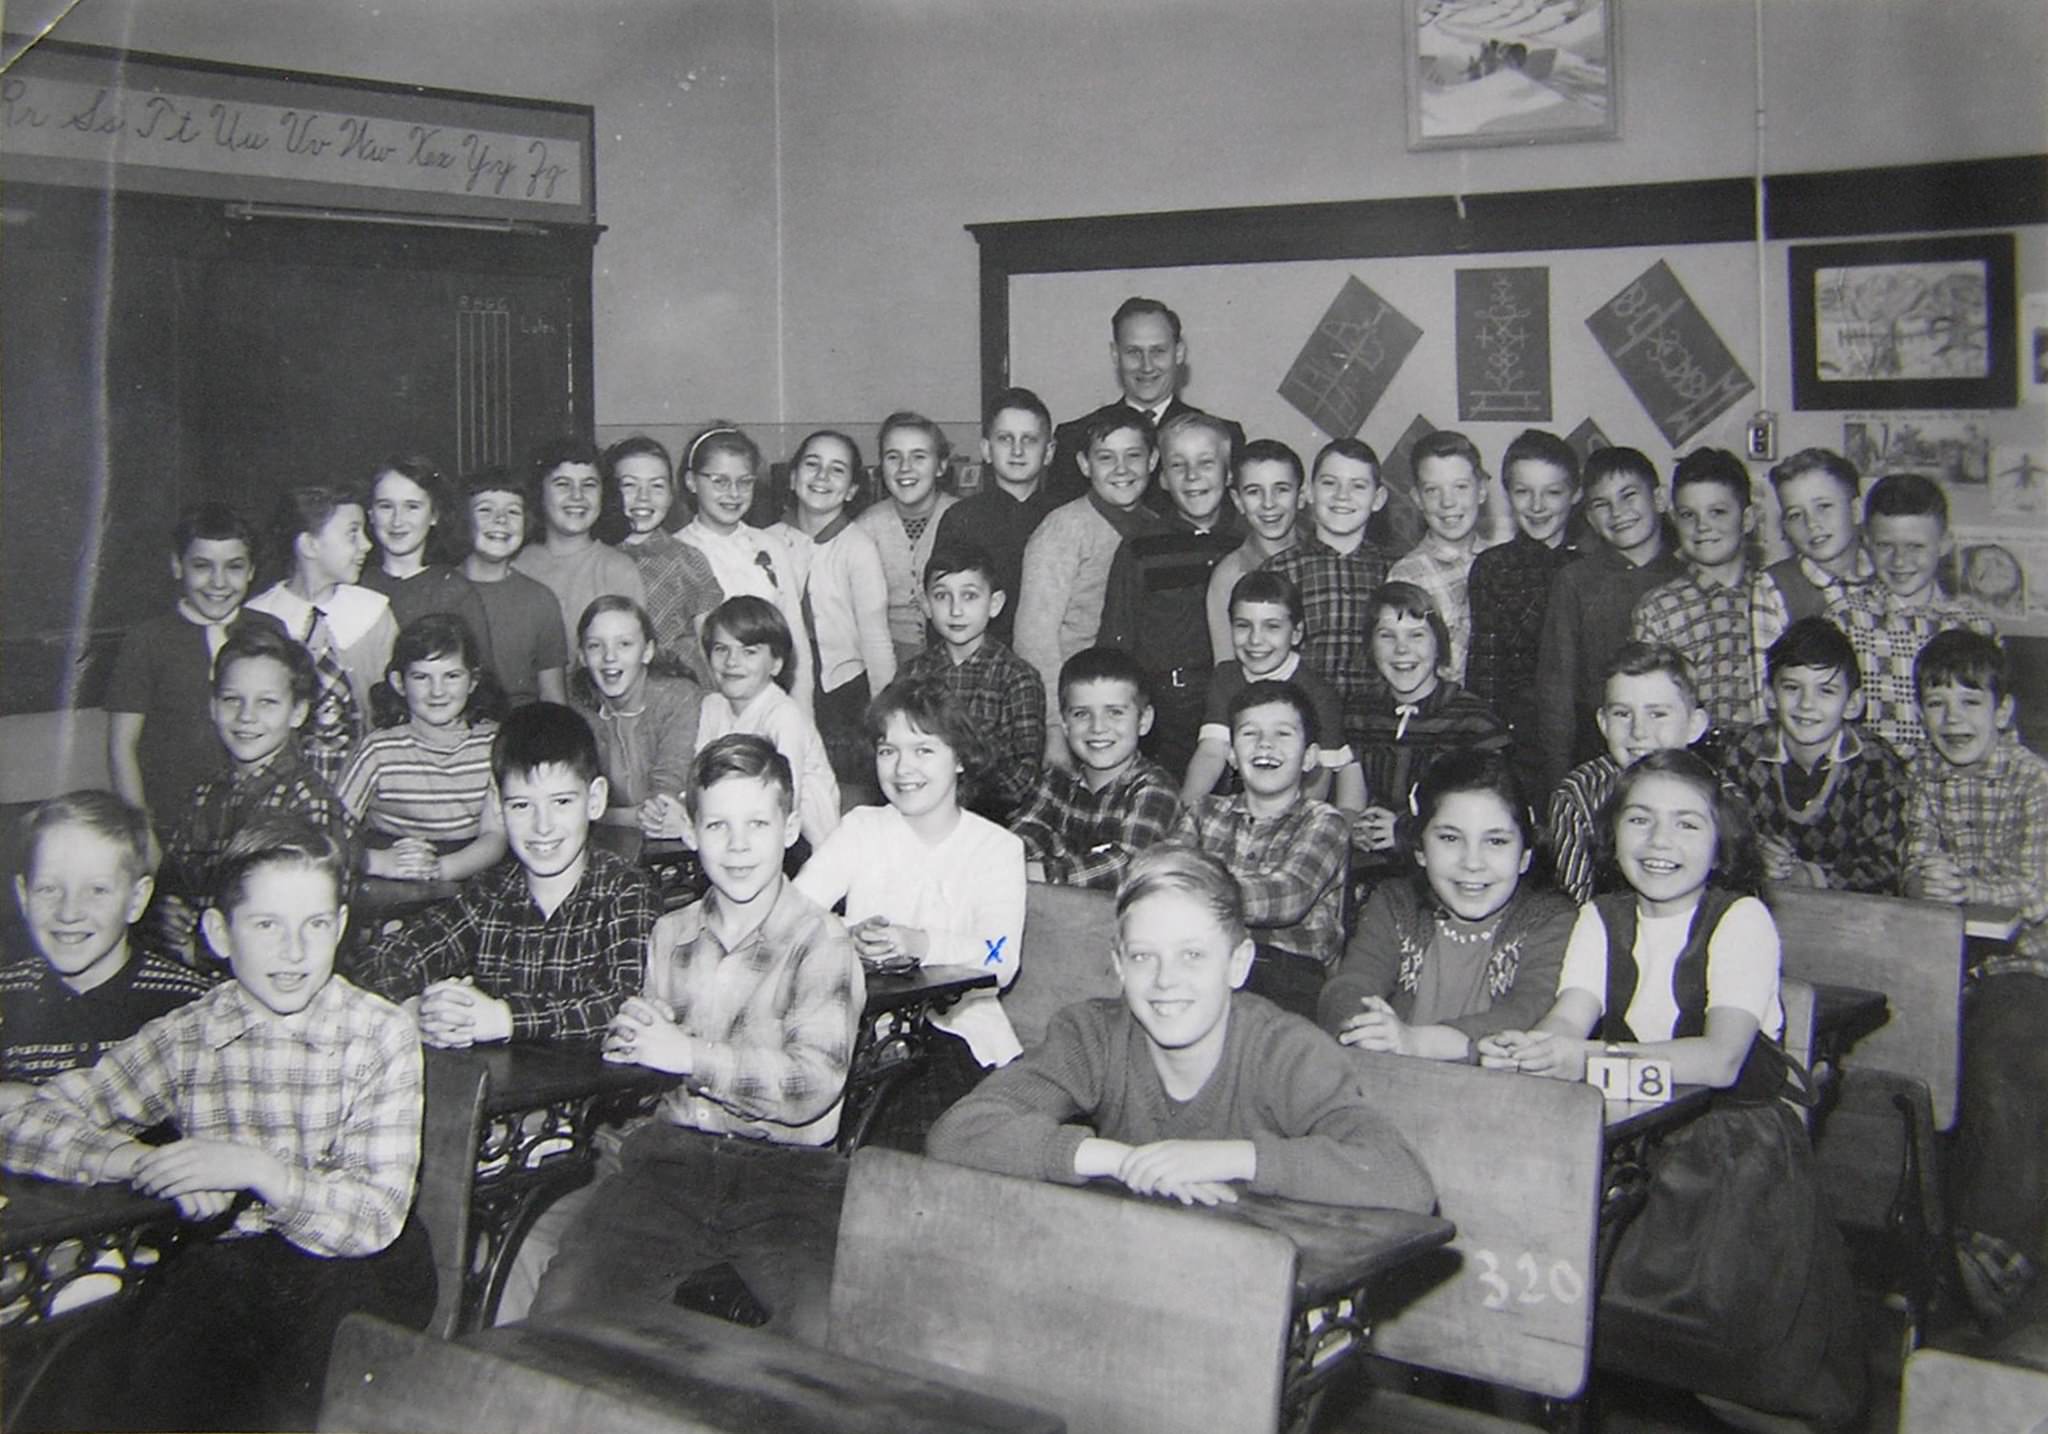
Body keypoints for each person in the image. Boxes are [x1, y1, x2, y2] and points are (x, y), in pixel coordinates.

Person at [0, 815, 434, 1433]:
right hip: (230, 1273)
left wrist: (253, 1170)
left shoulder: (379, 1033)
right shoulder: (192, 1032)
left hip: (358, 1268)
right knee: (143, 1347)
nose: (293, 952)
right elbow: (26, 1123)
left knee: (277, 1351)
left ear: (340, 926)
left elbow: (375, 1217)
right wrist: (140, 1161)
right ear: (220, 933)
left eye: (314, 925)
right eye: (266, 925)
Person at [1478, 751, 1864, 1427]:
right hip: (1635, 1135)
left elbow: (1718, 1062)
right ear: (1612, 835)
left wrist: (1589, 1060)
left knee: (1686, 1327)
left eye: (1687, 825)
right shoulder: (1600, 918)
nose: (1660, 843)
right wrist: (1535, 1048)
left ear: (1720, 847)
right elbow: (1569, 1019)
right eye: (1641, 820)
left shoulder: (1740, 920)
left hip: (1733, 1151)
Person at [531, 735, 862, 1343]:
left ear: (790, 829)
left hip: (792, 1179)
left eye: (757, 824)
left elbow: (811, 1085)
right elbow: (650, 1059)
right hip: (673, 1161)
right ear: (692, 831)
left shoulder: (824, 941)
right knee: (566, 1301)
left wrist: (685, 1055)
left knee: (821, 1328)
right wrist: (631, 1043)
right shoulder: (669, 933)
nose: (737, 847)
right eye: (718, 825)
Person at [926, 844, 1434, 1213]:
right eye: (1145, 957)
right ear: (1119, 966)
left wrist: (1224, 1159)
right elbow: (960, 1132)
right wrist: (1123, 1161)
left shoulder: (1284, 1049)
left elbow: (1402, 1179)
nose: (1167, 980)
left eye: (1193, 955)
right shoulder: (1092, 1034)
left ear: (1237, 964)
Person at [354, 702, 658, 1048]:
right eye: (521, 805)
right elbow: (381, 961)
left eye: (561, 802)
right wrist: (415, 1010)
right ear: (498, 807)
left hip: (597, 1099)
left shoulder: (625, 890)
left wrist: (502, 1018)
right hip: (501, 1098)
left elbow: (620, 1003)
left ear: (595, 800)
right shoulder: (489, 894)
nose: (542, 827)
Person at [1902, 631, 2048, 1330]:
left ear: (2005, 710)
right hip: (1940, 963)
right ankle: (1911, 1237)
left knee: (2001, 1061)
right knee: (1899, 1065)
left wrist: (1964, 886)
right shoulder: (1921, 775)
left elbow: (2036, 887)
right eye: (1936, 702)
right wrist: (1923, 876)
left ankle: (1999, 1246)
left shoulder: (2034, 780)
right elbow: (1914, 861)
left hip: (2026, 966)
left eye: (1970, 701)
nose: (1952, 718)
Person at [797, 679, 1026, 1121]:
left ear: (959, 758)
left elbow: (1002, 955)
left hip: (957, 1036)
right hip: (861, 1031)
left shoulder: (995, 848)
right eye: (888, 751)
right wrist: (849, 935)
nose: (903, 768)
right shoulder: (862, 828)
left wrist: (921, 943)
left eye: (924, 750)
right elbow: (795, 912)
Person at [1319, 748, 1574, 1062]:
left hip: (1501, 1098)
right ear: (1420, 849)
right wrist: (1363, 1024)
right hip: (1396, 1086)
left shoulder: (1549, 919)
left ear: (1525, 855)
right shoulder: (1395, 904)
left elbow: (1527, 1011)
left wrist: (1415, 1042)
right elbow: (1350, 984)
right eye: (1450, 839)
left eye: (1496, 841)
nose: (1472, 863)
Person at [153, 624, 352, 964]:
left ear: (298, 712)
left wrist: (202, 951)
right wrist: (167, 911)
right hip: (199, 972)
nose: (246, 717)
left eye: (267, 702)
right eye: (232, 700)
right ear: (213, 706)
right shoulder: (203, 796)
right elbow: (175, 883)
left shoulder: (310, 803)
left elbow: (302, 922)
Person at [0, 792, 212, 1096]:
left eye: (97, 890)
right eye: (48, 889)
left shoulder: (189, 1009)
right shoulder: (7, 998)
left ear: (136, 900)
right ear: (23, 896)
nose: (69, 912)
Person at [106, 501, 284, 844]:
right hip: (172, 826)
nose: (218, 582)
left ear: (251, 571)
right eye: (202, 566)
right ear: (177, 566)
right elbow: (121, 746)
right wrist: (143, 835)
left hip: (257, 824)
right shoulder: (147, 640)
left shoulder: (269, 630)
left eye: (234, 567)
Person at [1170, 681, 1348, 1019]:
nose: (1265, 744)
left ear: (1310, 757)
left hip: (1286, 970)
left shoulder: (1323, 821)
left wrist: (1194, 893)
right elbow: (1169, 869)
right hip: (1207, 955)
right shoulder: (1203, 812)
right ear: (1233, 756)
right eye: (1250, 734)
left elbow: (1289, 895)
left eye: (1283, 734)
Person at [1014, 408, 1170, 763]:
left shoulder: (1159, 528)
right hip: (1077, 712)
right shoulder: (1063, 530)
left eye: (1134, 456)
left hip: (1134, 709)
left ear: (1153, 460)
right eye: (1105, 458)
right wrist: (1055, 726)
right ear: (1085, 464)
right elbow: (1033, 640)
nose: (1121, 469)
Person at [1097, 409, 1243, 776]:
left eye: (1206, 463)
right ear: (1162, 477)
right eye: (1178, 466)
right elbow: (1117, 642)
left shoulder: (1245, 542)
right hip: (1165, 720)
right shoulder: (1140, 548)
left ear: (1228, 474)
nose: (1192, 477)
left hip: (1241, 710)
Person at [1532, 447, 1684, 794]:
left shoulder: (1687, 576)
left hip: (1676, 754)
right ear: (1588, 517)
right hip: (1597, 755)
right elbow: (1557, 693)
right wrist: (1560, 786)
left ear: (1659, 499)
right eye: (1601, 504)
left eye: (1629, 496)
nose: (1618, 513)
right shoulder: (1575, 581)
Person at [1718, 617, 1908, 894]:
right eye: (1792, 688)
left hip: (1853, 918)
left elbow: (1885, 866)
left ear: (1852, 704)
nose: (1807, 704)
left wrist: (1810, 877)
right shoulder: (1745, 753)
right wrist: (1755, 854)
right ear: (1770, 696)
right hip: (1764, 909)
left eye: (1826, 691)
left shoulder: (1876, 765)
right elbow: (1721, 835)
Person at [1827, 472, 1997, 755]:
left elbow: (1997, 731)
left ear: (1944, 544)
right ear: (1867, 542)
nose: (1900, 561)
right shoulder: (1843, 622)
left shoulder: (1976, 628)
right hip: (1871, 786)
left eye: (1916, 546)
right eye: (1885, 546)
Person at [1350, 582, 1508, 875]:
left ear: (1439, 644)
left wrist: (1403, 831)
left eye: (1417, 635)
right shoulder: (1361, 714)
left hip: (1449, 867)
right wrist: (1357, 829)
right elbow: (1352, 804)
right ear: (1370, 647)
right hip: (1375, 869)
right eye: (1386, 636)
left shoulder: (1474, 723)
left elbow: (1480, 818)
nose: (1401, 649)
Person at [246, 480, 397, 787]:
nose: (367, 545)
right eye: (352, 533)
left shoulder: (375, 612)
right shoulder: (258, 618)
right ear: (309, 545)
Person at [339, 613, 508, 884]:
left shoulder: (494, 745)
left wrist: (439, 871)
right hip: (390, 874)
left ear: (473, 680)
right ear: (398, 683)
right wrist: (376, 862)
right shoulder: (378, 750)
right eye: (421, 677)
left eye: (452, 676)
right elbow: (331, 832)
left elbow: (495, 837)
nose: (437, 691)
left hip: (467, 872)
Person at [1629, 447, 1789, 734]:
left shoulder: (1777, 596)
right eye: (1688, 514)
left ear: (1748, 519)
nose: (1702, 526)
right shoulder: (1658, 609)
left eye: (1717, 512)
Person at [1184, 569, 1362, 813]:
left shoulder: (1320, 693)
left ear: (1296, 633)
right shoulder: (1226, 677)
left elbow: (1317, 779)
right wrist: (1186, 809)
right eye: (1243, 626)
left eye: (1272, 626)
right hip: (1241, 805)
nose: (1255, 640)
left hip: (1299, 808)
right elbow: (1211, 753)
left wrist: (1288, 826)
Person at [777, 428, 896, 793]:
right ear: (794, 477)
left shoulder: (857, 547)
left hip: (843, 694)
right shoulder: (766, 540)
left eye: (837, 469)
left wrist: (886, 714)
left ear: (852, 490)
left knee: (844, 791)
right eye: (812, 465)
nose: (822, 477)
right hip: (782, 683)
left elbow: (875, 637)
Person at [1547, 642, 1711, 906]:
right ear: (1603, 723)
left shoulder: (1718, 794)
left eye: (1657, 714)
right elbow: (1573, 903)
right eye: (1623, 714)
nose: (1638, 731)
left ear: (1694, 725)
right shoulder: (1578, 795)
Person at [1012, 647, 1182, 893]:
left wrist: (1044, 872)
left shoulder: (1155, 788)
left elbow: (1129, 866)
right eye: (1082, 714)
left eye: (1114, 713)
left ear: (1143, 721)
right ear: (1065, 724)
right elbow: (1024, 836)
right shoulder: (1055, 781)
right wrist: (1010, 858)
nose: (1098, 727)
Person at [1466, 429, 1582, 785]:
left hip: (1587, 738)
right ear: (1507, 494)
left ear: (1576, 494)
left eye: (1553, 492)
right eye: (1522, 492)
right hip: (1519, 742)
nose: (1537, 506)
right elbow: (1485, 671)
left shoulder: (1591, 567)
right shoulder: (1492, 567)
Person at [1047, 297, 1243, 506]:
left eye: (1158, 351)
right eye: (1134, 352)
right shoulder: (1073, 438)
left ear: (1179, 353)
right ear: (1115, 354)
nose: (1147, 366)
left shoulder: (1222, 436)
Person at [900, 541, 1045, 823]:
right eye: (942, 596)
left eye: (969, 596)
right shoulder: (911, 674)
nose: (956, 610)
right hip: (920, 813)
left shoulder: (1017, 677)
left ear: (994, 604)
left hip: (991, 819)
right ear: (926, 605)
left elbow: (1025, 779)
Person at [675, 423, 815, 710]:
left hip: (771, 700)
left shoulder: (770, 546)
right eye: (719, 481)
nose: (734, 493)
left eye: (745, 481)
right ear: (691, 481)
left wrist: (802, 713)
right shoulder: (677, 552)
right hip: (706, 705)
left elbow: (795, 638)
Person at [1265, 438, 1392, 748]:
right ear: (1308, 493)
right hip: (1301, 732)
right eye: (1329, 483)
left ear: (1378, 498)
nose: (1341, 497)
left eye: (1358, 486)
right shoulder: (1278, 571)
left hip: (1377, 732)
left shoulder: (1395, 571)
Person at [693, 596, 840, 853]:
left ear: (776, 663)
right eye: (720, 649)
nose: (731, 662)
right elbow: (700, 783)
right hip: (740, 831)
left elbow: (781, 806)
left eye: (749, 651)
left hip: (802, 844)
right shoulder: (712, 706)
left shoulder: (783, 716)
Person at [931, 387, 1062, 645]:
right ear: (986, 450)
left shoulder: (1064, 516)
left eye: (1029, 440)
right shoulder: (961, 519)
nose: (1017, 450)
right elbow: (942, 602)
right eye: (1005, 438)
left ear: (1048, 452)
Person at [572, 595, 703, 837]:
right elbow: (572, 802)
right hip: (611, 845)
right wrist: (628, 816)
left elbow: (663, 803)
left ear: (647, 651)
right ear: (582, 656)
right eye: (595, 646)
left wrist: (606, 815)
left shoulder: (679, 697)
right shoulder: (580, 713)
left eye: (624, 644)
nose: (609, 656)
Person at [604, 434, 724, 687]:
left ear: (671, 494)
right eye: (629, 485)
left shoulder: (688, 558)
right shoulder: (599, 558)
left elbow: (709, 643)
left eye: (657, 485)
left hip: (680, 687)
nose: (643, 497)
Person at [358, 455, 496, 672]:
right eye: (386, 506)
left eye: (412, 507)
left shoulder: (453, 591)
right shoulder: (357, 584)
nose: (397, 520)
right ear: (371, 515)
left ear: (434, 515)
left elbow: (482, 675)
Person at [512, 436, 647, 657]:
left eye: (589, 485)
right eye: (563, 484)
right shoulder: (516, 564)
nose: (577, 496)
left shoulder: (618, 569)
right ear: (538, 491)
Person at [1389, 430, 1498, 683]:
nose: (1447, 502)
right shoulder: (1407, 575)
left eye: (1460, 487)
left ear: (1481, 490)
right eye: (1432, 490)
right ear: (1417, 498)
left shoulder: (1504, 563)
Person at [458, 464, 570, 708]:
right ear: (465, 519)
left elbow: (553, 697)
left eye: (513, 512)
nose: (500, 520)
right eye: (485, 510)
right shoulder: (440, 590)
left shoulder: (540, 599)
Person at [855, 411, 960, 668]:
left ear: (941, 466)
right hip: (884, 660)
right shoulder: (865, 527)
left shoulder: (965, 518)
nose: (905, 468)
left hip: (954, 654)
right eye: (893, 457)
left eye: (919, 457)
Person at [1205, 438, 1305, 663]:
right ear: (1238, 501)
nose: (1268, 504)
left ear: (1301, 496)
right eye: (1254, 492)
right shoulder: (1230, 575)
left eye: (1281, 489)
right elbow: (1226, 669)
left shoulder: (1321, 561)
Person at [1764, 447, 1873, 623]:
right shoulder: (1774, 586)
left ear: (1856, 510)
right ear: (1785, 527)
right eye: (1795, 515)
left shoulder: (1890, 572)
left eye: (1823, 506)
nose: (1811, 523)